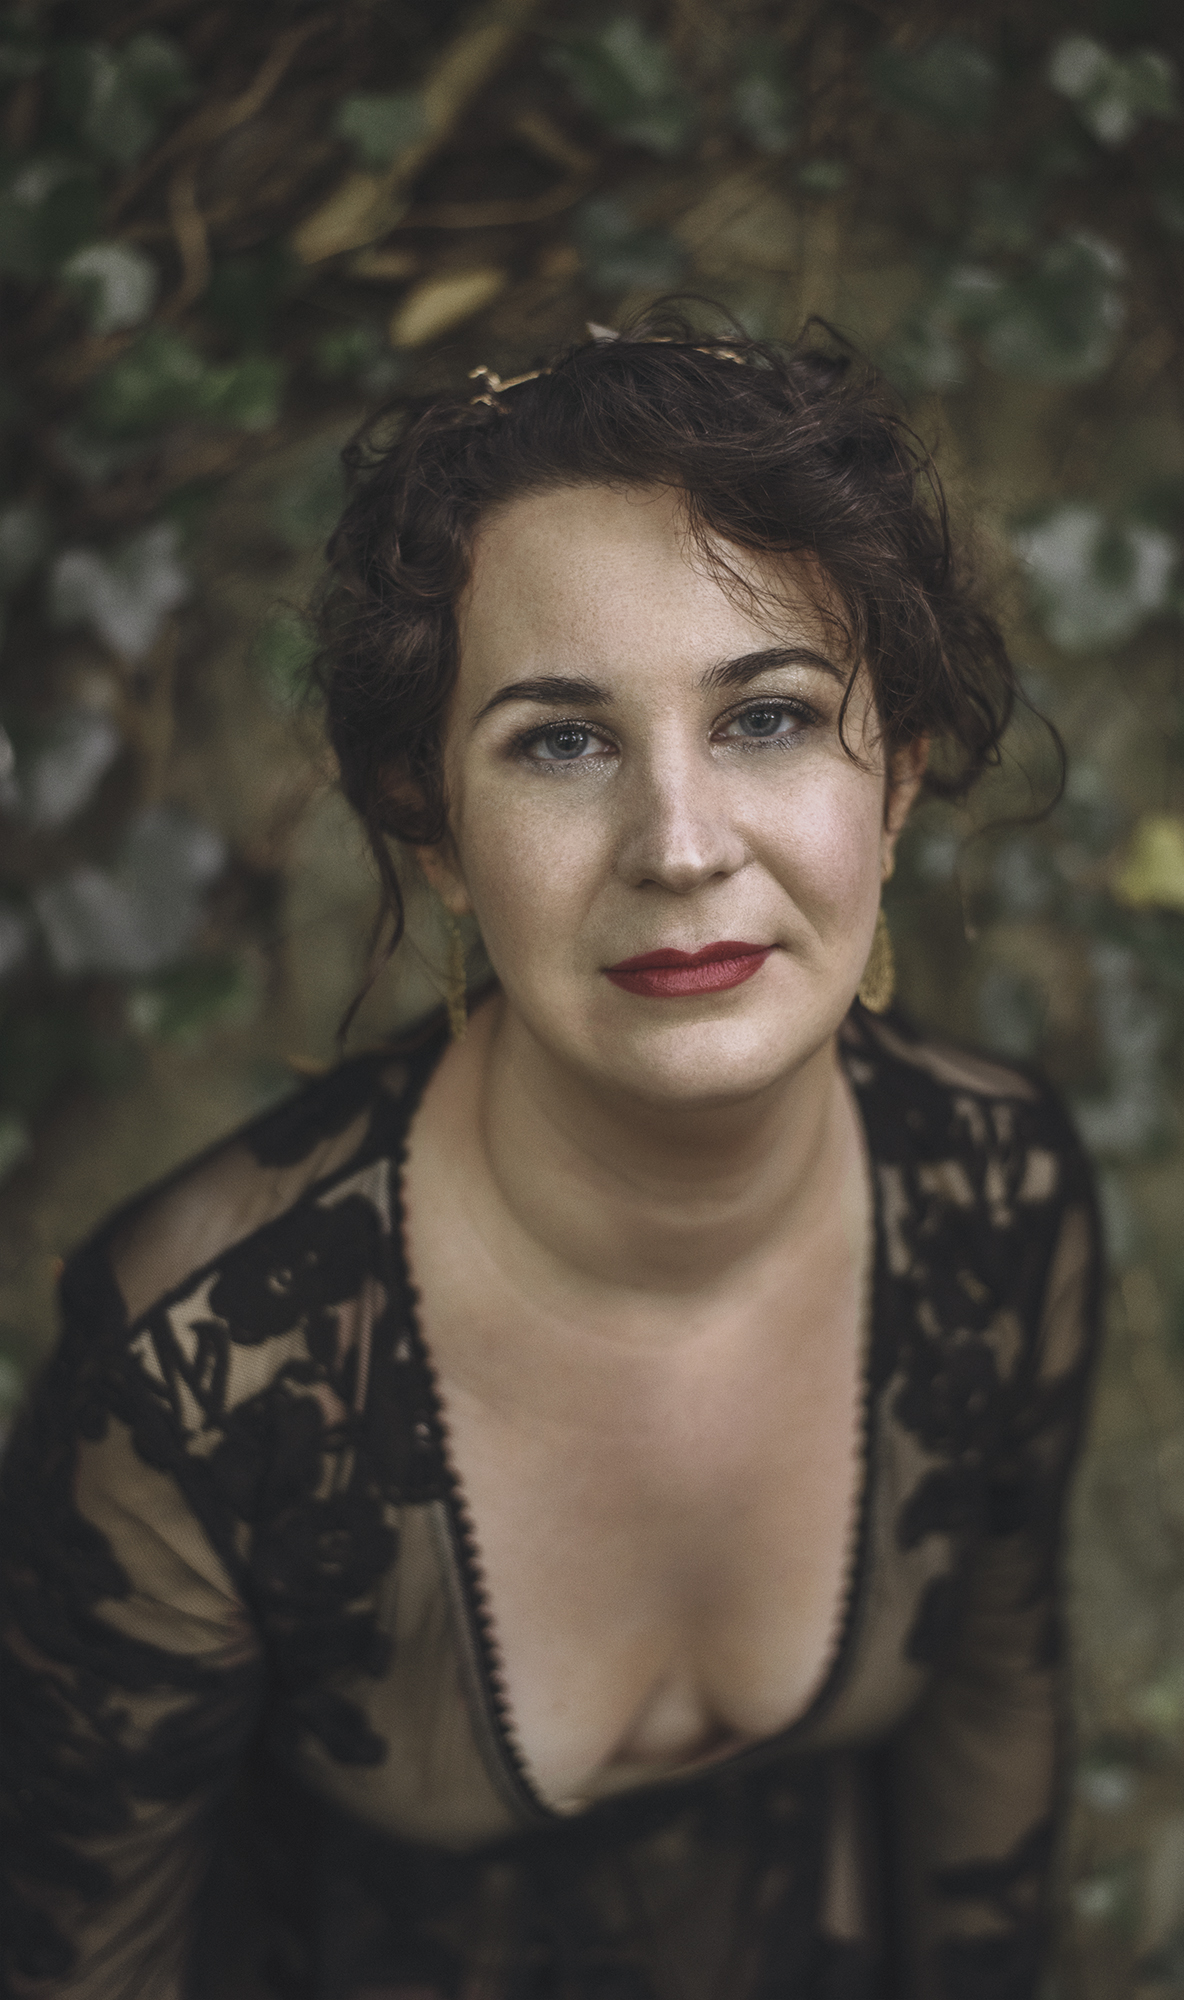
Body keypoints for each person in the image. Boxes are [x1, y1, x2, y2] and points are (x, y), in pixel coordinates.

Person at [0, 312, 1101, 2000]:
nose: (679, 846)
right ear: (434, 830)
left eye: (768, 717)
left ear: (897, 787)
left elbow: (988, 1761)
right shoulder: (200, 1377)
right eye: (562, 741)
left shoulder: (996, 1198)